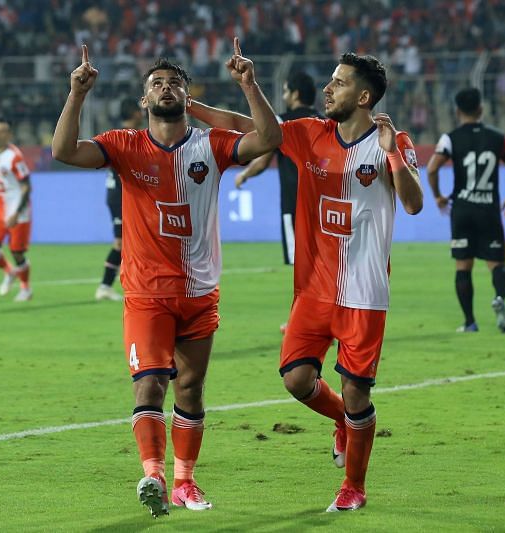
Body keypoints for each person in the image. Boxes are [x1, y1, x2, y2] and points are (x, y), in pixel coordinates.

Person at [51, 40, 281, 518]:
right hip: (146, 294)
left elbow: (269, 138)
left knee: (191, 390)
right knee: (149, 385)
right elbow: (63, 151)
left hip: (200, 293)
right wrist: (77, 94)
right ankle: (152, 474)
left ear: (187, 95)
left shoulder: (210, 146)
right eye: (156, 83)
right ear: (144, 100)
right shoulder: (124, 145)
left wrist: (248, 85)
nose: (166, 88)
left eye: (175, 82)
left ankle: (184, 482)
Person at [190, 52, 423, 512]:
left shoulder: (389, 143)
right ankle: (342, 421)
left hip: (364, 293)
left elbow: (413, 203)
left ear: (363, 96)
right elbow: (243, 125)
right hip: (313, 291)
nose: (327, 89)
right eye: (330, 81)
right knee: (297, 380)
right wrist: (194, 106)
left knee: (358, 391)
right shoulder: (307, 133)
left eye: (338, 83)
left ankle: (354, 485)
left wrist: (394, 150)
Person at [426, 87, 505, 334]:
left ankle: (469, 322)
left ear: (457, 111)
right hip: (489, 210)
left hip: (463, 210)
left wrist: (438, 196)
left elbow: (433, 168)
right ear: (481, 109)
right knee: (497, 264)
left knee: (463, 266)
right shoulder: (497, 137)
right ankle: (499, 297)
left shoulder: (450, 138)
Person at [234, 71, 323, 266]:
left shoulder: (281, 123)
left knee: (299, 263)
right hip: (325, 204)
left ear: (295, 94)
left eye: (285, 92)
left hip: (294, 203)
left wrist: (244, 175)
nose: (284, 96)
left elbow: (263, 161)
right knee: (324, 262)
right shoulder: (327, 123)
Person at [95, 98, 145, 301]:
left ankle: (110, 286)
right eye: (140, 112)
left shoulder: (117, 135)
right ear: (134, 114)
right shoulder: (130, 138)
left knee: (129, 242)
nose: (143, 115)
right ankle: (105, 286)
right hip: (122, 196)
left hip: (119, 195)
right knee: (121, 242)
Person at [0, 117, 33, 302]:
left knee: (17, 252)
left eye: (2, 131)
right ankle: (9, 272)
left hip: (17, 211)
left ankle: (25, 288)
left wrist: (17, 213)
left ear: (9, 135)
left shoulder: (14, 157)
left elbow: (27, 186)